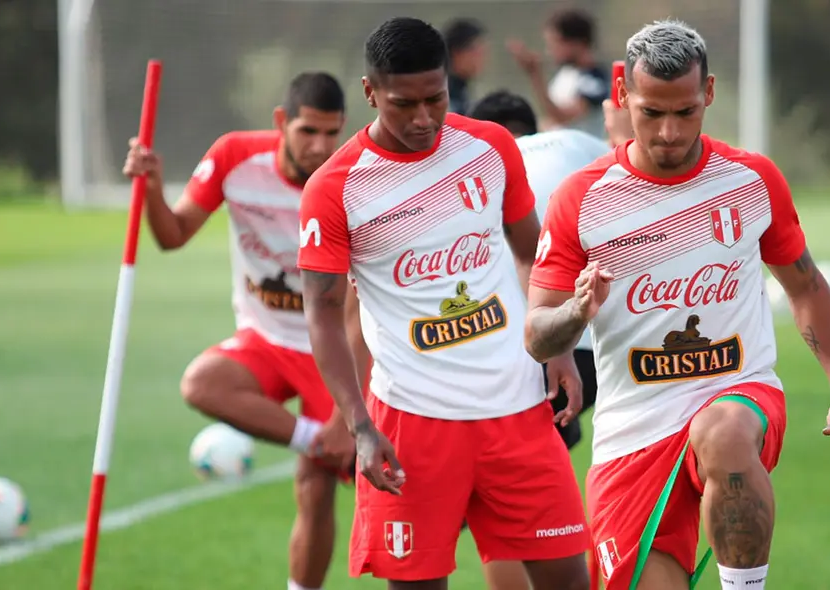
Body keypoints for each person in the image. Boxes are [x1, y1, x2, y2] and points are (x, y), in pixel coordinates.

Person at [524, 19, 830, 590]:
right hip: (633, 433)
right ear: (622, 98)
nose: (668, 132)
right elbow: (538, 334)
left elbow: (806, 286)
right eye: (651, 113)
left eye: (685, 112)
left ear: (708, 94)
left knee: (724, 433)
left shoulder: (750, 180)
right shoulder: (582, 199)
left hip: (739, 391)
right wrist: (576, 312)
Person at [297, 16, 591, 590]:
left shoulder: (489, 146)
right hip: (412, 425)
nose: (424, 117)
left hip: (518, 412)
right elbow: (323, 313)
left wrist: (554, 347)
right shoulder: (335, 188)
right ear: (369, 92)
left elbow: (534, 254)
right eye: (404, 104)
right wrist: (358, 424)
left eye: (436, 98)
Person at [121, 72, 361, 590]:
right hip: (265, 339)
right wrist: (154, 189)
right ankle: (313, 442)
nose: (320, 146)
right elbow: (173, 234)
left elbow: (358, 306)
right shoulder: (234, 158)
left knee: (315, 491)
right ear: (280, 122)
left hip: (333, 348)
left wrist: (350, 412)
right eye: (307, 131)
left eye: (331, 133)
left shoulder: (351, 180)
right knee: (201, 383)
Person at [467, 90, 612, 590]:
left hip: (542, 346)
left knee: (501, 496)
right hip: (618, 338)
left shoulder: (484, 166)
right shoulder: (580, 143)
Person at [507, 7, 609, 137]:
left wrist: (535, 75)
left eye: (555, 43)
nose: (550, 51)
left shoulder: (595, 80)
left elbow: (561, 117)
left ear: (577, 43)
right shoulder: (566, 74)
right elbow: (553, 122)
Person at [443, 18, 488, 116]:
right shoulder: (443, 92)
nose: (482, 58)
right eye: (477, 52)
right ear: (457, 53)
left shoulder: (462, 90)